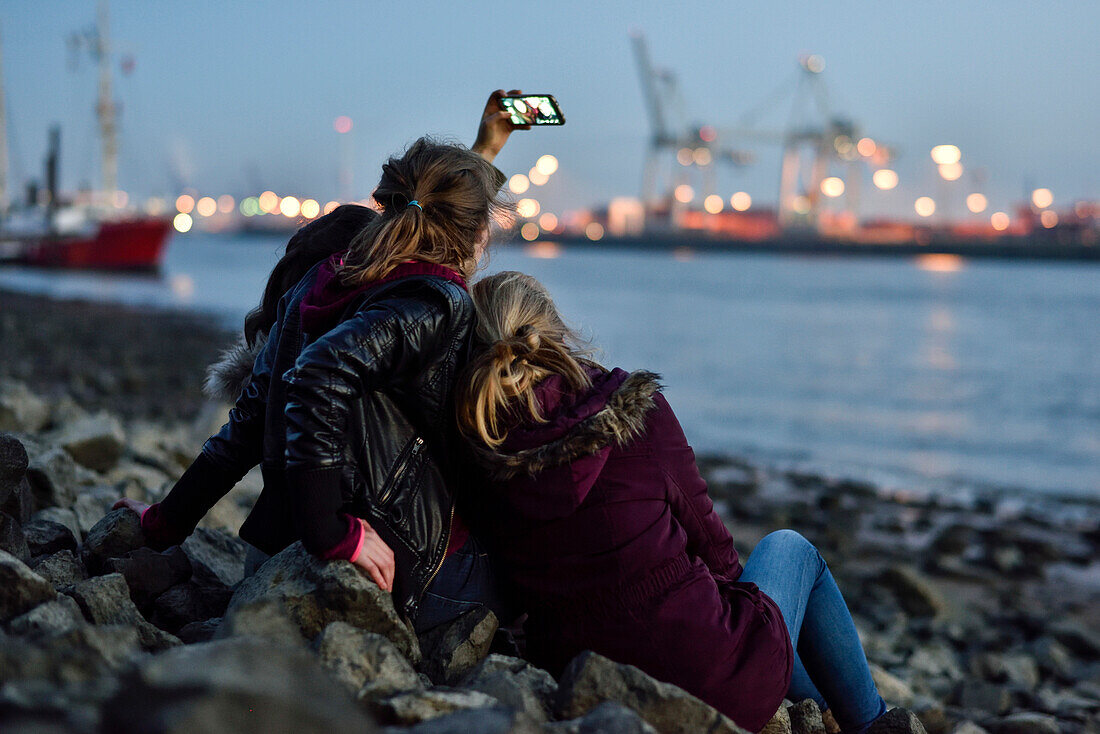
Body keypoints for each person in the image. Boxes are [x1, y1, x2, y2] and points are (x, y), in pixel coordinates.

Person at [114, 90, 527, 632]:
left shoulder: (321, 279)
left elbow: (246, 425)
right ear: (477, 233)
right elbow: (321, 376)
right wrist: (331, 532)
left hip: (272, 552)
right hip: (389, 564)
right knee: (522, 588)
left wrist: (166, 523)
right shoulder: (437, 302)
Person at [455, 271, 888, 733]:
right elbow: (714, 548)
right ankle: (874, 723)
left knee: (760, 622)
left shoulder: (477, 446)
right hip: (714, 677)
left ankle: (815, 703)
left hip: (587, 682)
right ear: (556, 331)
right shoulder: (635, 414)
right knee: (790, 549)